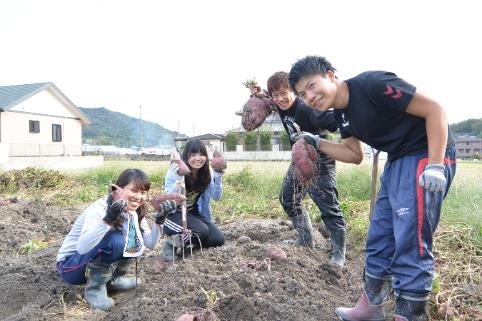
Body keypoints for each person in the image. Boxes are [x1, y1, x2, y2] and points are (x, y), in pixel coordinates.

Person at [288, 56, 456, 321]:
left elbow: (435, 110)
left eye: (312, 85)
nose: (309, 96)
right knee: (379, 236)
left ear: (330, 75)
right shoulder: (342, 115)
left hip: (425, 154)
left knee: (409, 239)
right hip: (398, 160)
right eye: (302, 94)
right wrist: (316, 142)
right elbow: (354, 154)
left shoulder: (372, 85)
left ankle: (409, 315)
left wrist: (435, 164)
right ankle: (372, 306)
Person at [56, 168, 184, 311]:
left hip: (87, 264)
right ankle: (95, 290)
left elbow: (150, 244)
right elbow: (82, 247)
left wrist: (160, 220)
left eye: (143, 193)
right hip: (71, 266)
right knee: (116, 241)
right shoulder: (100, 208)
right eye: (134, 191)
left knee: (133, 241)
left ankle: (113, 280)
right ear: (118, 190)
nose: (139, 197)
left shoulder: (135, 211)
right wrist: (109, 219)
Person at [266, 71, 347, 268]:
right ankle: (305, 238)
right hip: (299, 160)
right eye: (275, 95)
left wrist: (350, 114)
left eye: (284, 93)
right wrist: (257, 94)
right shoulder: (280, 106)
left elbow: (329, 120)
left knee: (328, 207)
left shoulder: (305, 109)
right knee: (288, 198)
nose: (280, 99)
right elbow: (265, 100)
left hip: (320, 162)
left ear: (294, 91)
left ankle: (338, 253)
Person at [161, 139, 226, 261]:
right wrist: (179, 178)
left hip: (193, 213)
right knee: (201, 230)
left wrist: (217, 173)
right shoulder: (174, 172)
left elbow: (216, 197)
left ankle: (189, 244)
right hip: (174, 215)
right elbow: (169, 199)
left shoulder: (205, 173)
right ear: (186, 156)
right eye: (193, 155)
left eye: (202, 154)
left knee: (218, 239)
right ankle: (171, 243)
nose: (198, 158)